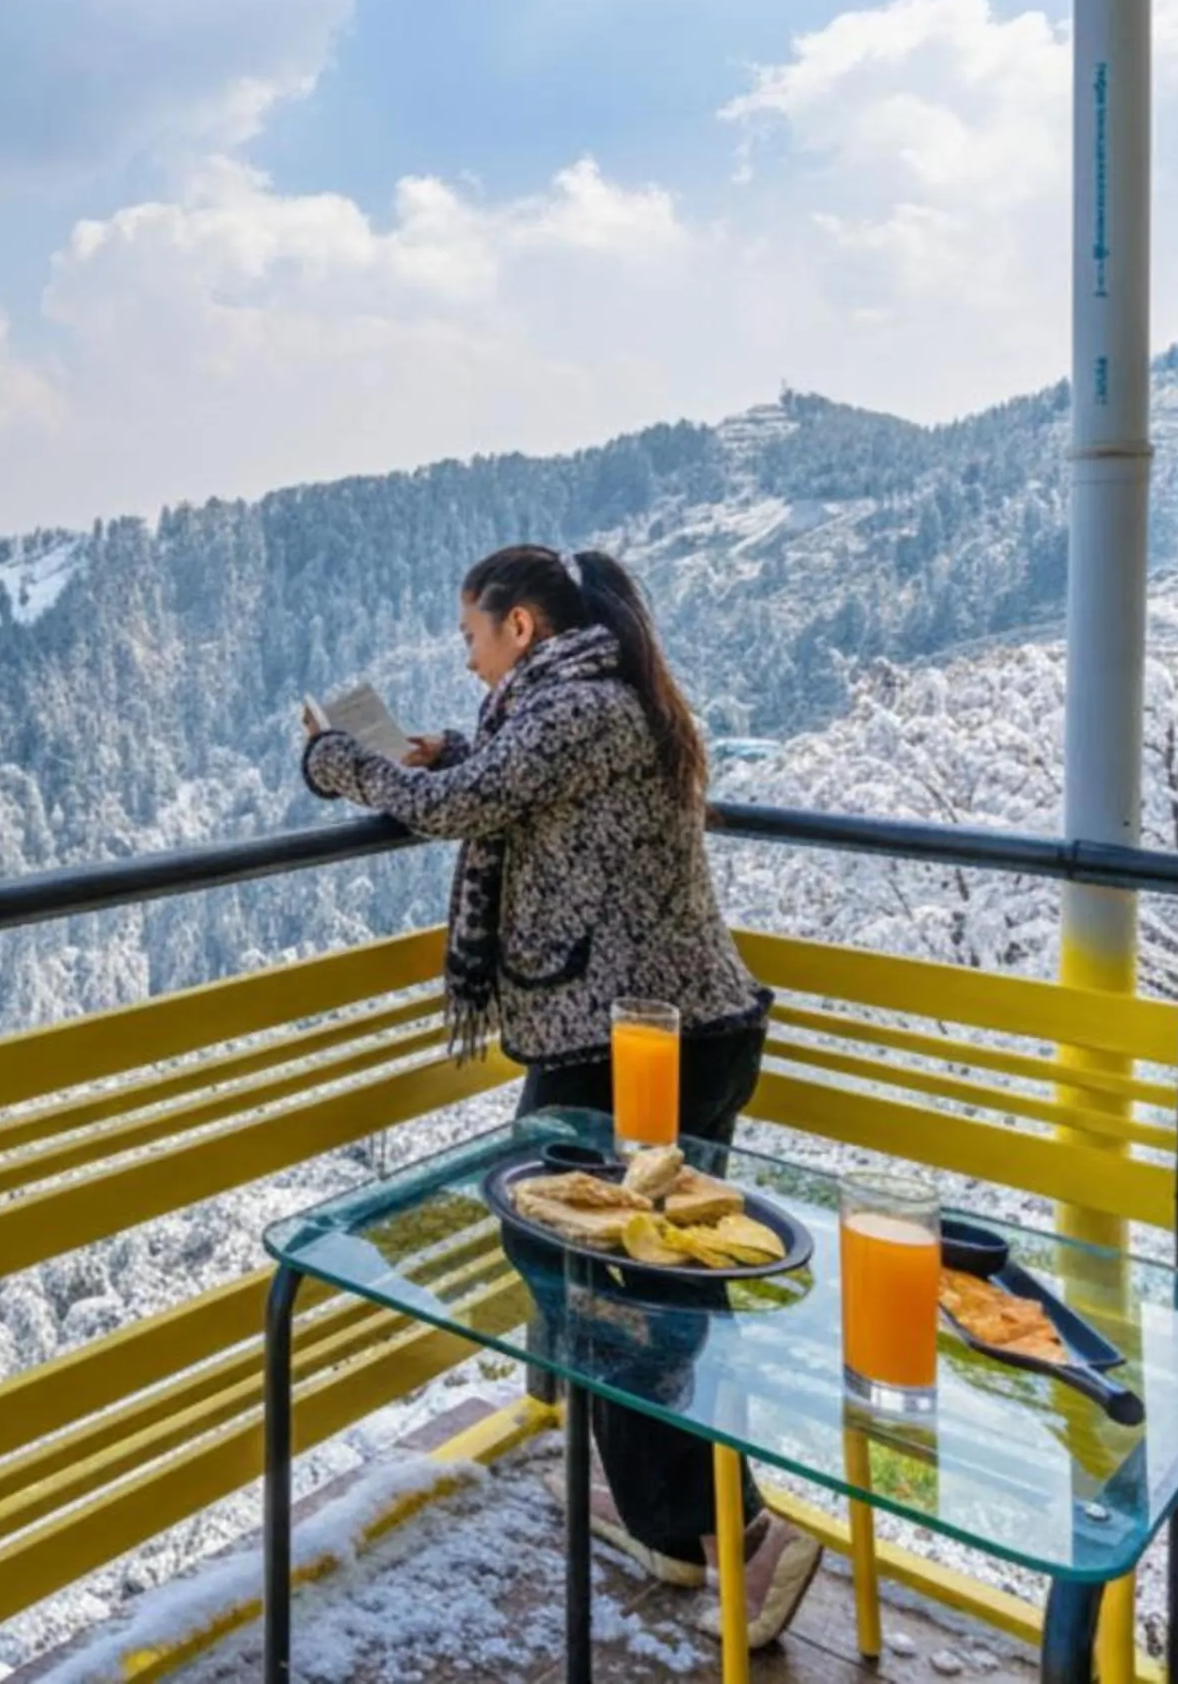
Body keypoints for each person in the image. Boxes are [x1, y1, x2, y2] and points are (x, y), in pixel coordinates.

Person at [297, 543, 822, 1645]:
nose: (471, 662)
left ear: (522, 627)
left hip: (631, 1046)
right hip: (680, 1034)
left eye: (473, 638)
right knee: (664, 1283)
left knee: (584, 1266)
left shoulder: (577, 710)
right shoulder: (598, 698)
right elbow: (504, 784)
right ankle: (681, 1523)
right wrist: (453, 752)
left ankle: (736, 1536)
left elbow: (458, 807)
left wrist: (341, 763)